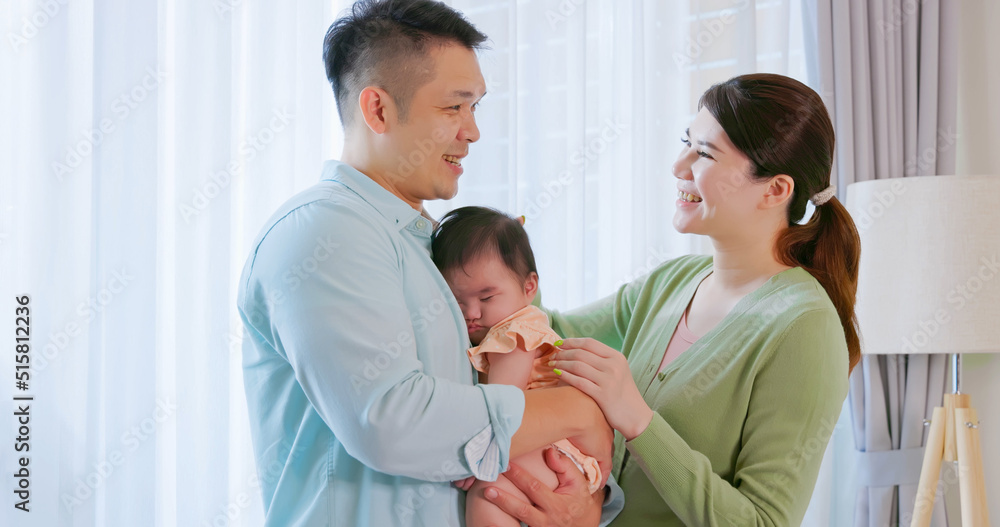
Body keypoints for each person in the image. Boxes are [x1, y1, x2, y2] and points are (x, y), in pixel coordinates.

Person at [236, 1, 620, 525]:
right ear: (378, 110)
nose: (472, 131)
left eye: (475, 108)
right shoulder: (327, 232)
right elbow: (392, 422)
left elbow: (510, 379)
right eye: (453, 108)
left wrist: (583, 498)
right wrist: (576, 413)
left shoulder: (432, 246)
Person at [483, 73, 861, 526]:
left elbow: (764, 522)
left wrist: (638, 420)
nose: (679, 165)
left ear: (775, 190)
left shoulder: (804, 328)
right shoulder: (673, 281)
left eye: (704, 153)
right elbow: (550, 337)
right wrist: (501, 262)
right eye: (687, 142)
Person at [430, 206, 604, 527]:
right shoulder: (492, 330)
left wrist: (477, 463)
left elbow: (502, 407)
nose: (471, 312)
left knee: (488, 498)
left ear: (529, 288)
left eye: (486, 298)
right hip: (534, 441)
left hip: (553, 448)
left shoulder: (517, 332)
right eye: (458, 300)